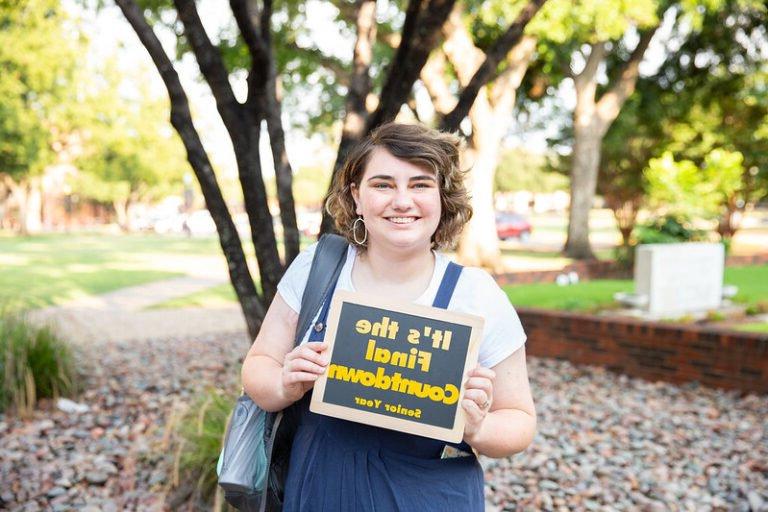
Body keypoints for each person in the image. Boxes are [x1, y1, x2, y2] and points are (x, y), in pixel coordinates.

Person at [241, 122, 536, 511]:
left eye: (420, 185)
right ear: (356, 197)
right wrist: (284, 383)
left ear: (443, 198)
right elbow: (257, 367)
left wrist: (478, 425)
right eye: (383, 185)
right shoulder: (318, 268)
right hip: (323, 484)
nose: (402, 201)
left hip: (430, 494)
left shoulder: (476, 294)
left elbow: (519, 422)